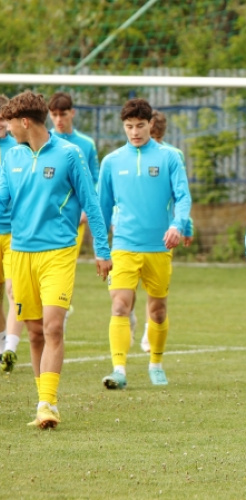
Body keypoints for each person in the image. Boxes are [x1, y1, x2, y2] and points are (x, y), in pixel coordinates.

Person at [0, 90, 112, 428]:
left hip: (59, 253)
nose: (7, 129)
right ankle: (42, 400)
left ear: (23, 122)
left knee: (52, 326)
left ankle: (48, 404)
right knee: (34, 332)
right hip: (21, 254)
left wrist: (102, 252)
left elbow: (92, 204)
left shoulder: (69, 154)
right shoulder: (12, 158)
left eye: (9, 122)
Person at [98, 98, 192, 389]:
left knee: (157, 311)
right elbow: (101, 208)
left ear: (151, 124)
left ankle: (156, 362)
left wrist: (178, 225)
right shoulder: (112, 161)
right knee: (119, 307)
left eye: (140, 125)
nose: (135, 131)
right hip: (124, 245)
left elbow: (183, 197)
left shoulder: (169, 158)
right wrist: (101, 250)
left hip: (158, 248)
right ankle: (119, 370)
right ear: (123, 127)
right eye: (129, 126)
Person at [137, 109, 194, 354]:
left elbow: (180, 194)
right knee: (125, 287)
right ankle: (127, 319)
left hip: (163, 231)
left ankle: (148, 329)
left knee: (154, 286)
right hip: (133, 229)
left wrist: (185, 226)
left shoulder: (173, 155)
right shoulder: (131, 154)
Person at [48, 92, 101, 335]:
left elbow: (95, 181)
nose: (58, 119)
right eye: (54, 114)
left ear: (72, 113)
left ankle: (60, 310)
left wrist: (85, 212)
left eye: (63, 114)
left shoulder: (86, 144)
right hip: (44, 219)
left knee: (65, 266)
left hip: (73, 221)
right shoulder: (42, 141)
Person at [0, 95, 25, 373]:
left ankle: (10, 348)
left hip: (15, 232)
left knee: (12, 289)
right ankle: (2, 343)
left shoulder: (19, 147)